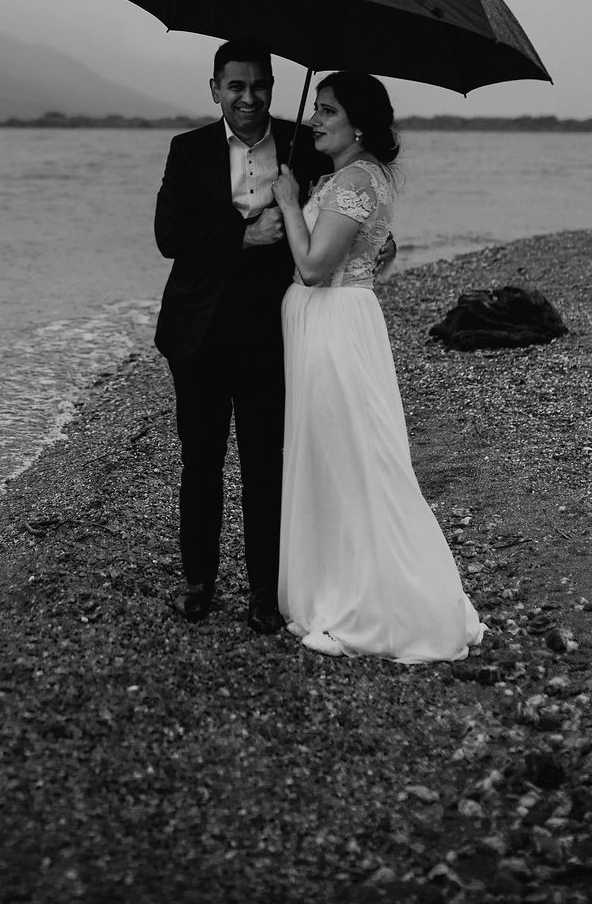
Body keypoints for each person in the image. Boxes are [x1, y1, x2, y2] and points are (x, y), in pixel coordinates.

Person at [269, 72, 484, 662]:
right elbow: (373, 252)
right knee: (345, 453)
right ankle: (343, 580)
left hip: (332, 321)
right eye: (317, 108)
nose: (315, 119)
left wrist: (289, 203)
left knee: (348, 457)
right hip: (340, 316)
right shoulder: (361, 178)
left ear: (358, 124)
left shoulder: (352, 181)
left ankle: (373, 598)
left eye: (328, 111)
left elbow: (314, 267)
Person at [152, 38, 325, 634]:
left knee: (265, 463)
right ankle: (198, 580)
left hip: (273, 329)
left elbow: (332, 223)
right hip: (197, 330)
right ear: (215, 89)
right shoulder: (188, 150)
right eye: (235, 86)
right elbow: (170, 235)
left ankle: (263, 593)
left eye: (259, 86)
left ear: (273, 88)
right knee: (201, 461)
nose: (248, 97)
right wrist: (243, 236)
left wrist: (371, 243)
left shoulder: (304, 148)